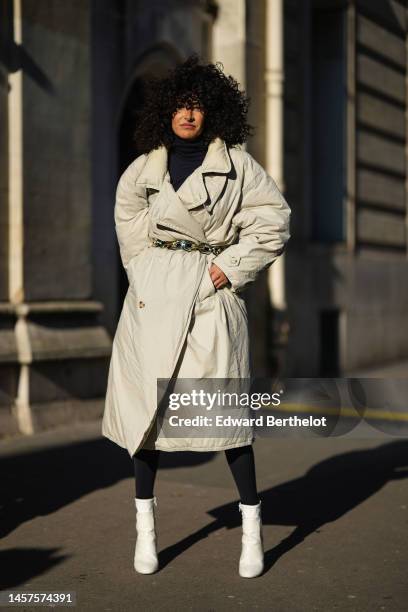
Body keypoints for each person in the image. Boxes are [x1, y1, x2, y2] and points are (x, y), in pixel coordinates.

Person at [102, 54, 291, 578]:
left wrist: (226, 270)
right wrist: (145, 272)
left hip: (210, 296)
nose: (188, 114)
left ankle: (251, 532)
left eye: (198, 105)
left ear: (214, 113)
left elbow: (273, 223)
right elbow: (128, 226)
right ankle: (147, 534)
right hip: (153, 298)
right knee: (148, 418)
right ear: (165, 111)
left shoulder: (238, 165)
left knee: (226, 421)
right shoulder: (143, 169)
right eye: (180, 104)